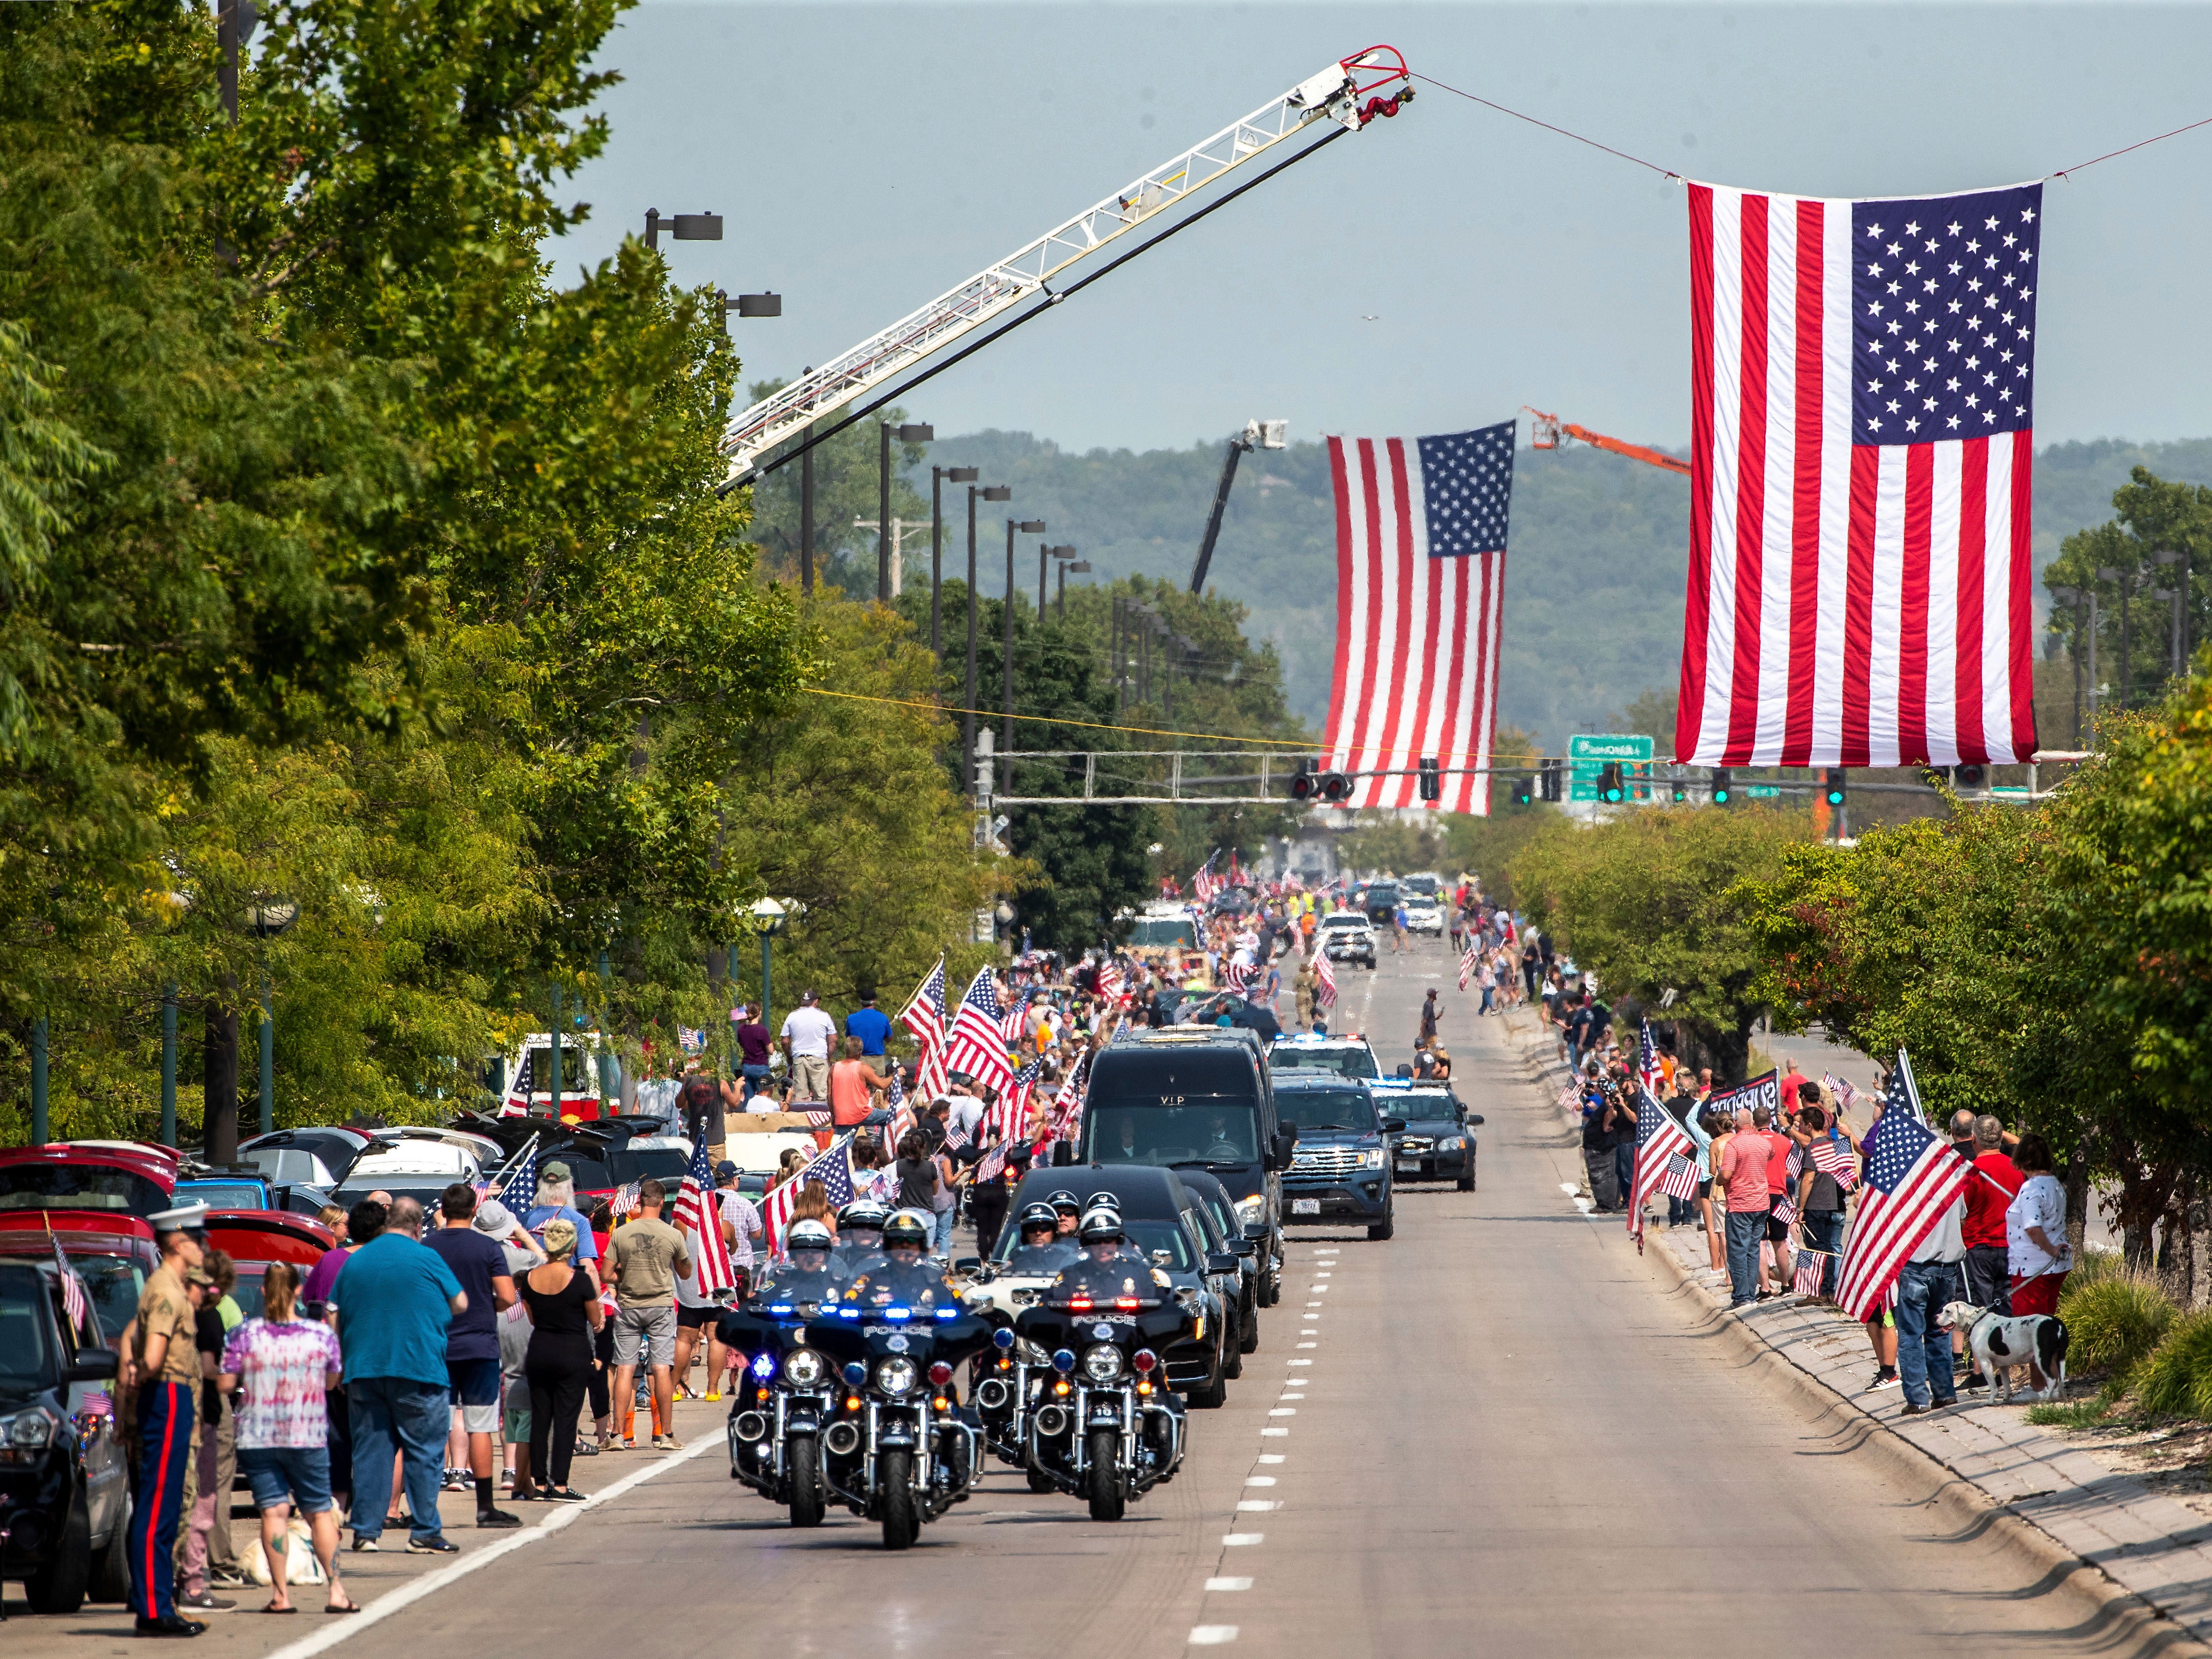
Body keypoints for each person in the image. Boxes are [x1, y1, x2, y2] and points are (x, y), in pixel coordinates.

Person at [217, 1261, 358, 1613]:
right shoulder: (321, 1335)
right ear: (298, 1290)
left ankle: (281, 1596)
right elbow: (330, 1382)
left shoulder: (244, 1336)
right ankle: (336, 1590)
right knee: (320, 1511)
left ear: (263, 1290)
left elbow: (226, 1383)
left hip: (258, 1436)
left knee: (274, 1513)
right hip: (307, 1435)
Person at [333, 1196, 469, 1554]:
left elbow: (334, 1314)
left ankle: (364, 1530)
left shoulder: (356, 1261)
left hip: (363, 1369)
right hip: (419, 1367)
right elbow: (461, 1303)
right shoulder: (426, 1257)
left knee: (370, 1452)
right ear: (418, 1227)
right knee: (423, 1452)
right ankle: (424, 1530)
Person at [126, 1206, 213, 1636]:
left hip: (171, 1396)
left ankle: (159, 1603)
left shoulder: (171, 1287)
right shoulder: (165, 1290)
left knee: (163, 1505)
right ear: (179, 1243)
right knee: (158, 1505)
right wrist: (140, 1381)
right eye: (199, 1241)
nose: (204, 1249)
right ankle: (154, 1609)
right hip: (167, 1394)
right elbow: (153, 1356)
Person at [425, 1184, 523, 1528]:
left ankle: (424, 1508)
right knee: (481, 1426)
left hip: (438, 1345)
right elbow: (509, 1297)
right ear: (473, 1212)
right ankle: (485, 1507)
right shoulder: (488, 1246)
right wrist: (483, 1308)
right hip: (480, 1346)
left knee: (435, 1426)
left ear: (444, 1209)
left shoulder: (428, 1246)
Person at [516, 1219, 603, 1501]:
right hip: (572, 1351)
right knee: (566, 1419)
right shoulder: (579, 1279)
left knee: (541, 1417)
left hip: (540, 1349)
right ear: (572, 1247)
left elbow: (531, 1317)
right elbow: (595, 1319)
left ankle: (539, 1482)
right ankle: (561, 1483)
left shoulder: (530, 1278)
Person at [603, 1178, 692, 1453]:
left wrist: (626, 1274)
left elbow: (606, 1274)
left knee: (625, 1368)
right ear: (662, 1202)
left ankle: (617, 1435)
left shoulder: (622, 1233)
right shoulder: (673, 1234)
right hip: (661, 1306)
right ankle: (665, 1435)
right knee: (662, 1368)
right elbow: (685, 1271)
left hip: (629, 1305)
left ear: (640, 1201)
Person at [177, 1248, 242, 1610]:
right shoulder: (212, 1318)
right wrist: (229, 1378)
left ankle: (179, 1576)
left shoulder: (181, 1314)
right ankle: (198, 1580)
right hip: (207, 1414)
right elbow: (209, 1369)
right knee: (207, 1494)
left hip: (179, 1411)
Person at [1896, 1179, 1966, 1416]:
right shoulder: (1952, 1180)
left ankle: (1918, 1398)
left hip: (1917, 1265)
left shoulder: (1911, 1182)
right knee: (1938, 1330)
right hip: (1947, 1266)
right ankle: (1944, 1393)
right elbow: (1962, 1217)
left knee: (1911, 1333)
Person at [2006, 1133, 2073, 1366]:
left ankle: (2038, 1385)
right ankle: (2051, 1380)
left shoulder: (2031, 1189)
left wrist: (2051, 1249)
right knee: (2046, 1325)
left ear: (2022, 1160)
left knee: (2031, 1331)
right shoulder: (2055, 1184)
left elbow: (2032, 1227)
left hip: (2033, 1267)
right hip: (2053, 1268)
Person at [1960, 1114, 2024, 1340]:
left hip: (1979, 1247)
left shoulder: (1971, 1171)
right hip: (2010, 1247)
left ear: (1974, 1140)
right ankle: (2008, 1361)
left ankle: (1982, 1370)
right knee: (2006, 1308)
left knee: (1981, 1311)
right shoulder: (2016, 1169)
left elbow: (1962, 1213)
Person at [838, 1213, 956, 1309]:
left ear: (921, 1245)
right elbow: (848, 1306)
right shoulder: (870, 1279)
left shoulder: (937, 1280)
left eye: (912, 1240)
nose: (905, 1245)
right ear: (889, 1245)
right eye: (898, 1240)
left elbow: (965, 1313)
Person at [1718, 1108, 1770, 1308]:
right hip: (1761, 1203)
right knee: (1752, 1250)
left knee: (1738, 1251)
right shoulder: (1763, 1143)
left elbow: (1726, 1174)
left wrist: (1719, 1179)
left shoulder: (1734, 1145)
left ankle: (1742, 1296)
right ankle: (1749, 1293)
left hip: (1740, 1204)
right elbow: (1771, 1154)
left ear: (1735, 1122)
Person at [522, 1162, 602, 1266]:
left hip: (535, 1280)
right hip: (568, 1280)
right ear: (569, 1186)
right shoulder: (579, 1220)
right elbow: (587, 1266)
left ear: (541, 1185)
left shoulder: (528, 1218)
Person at [780, 989, 838, 1103]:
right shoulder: (824, 1016)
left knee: (800, 1097)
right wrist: (828, 1057)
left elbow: (785, 1041)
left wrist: (789, 1056)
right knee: (822, 1095)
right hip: (819, 1058)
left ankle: (801, 1118)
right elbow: (833, 1040)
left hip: (799, 1058)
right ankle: (821, 1117)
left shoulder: (792, 1016)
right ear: (816, 1002)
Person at [828, 1035, 892, 1131]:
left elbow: (830, 1095)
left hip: (842, 1116)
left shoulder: (834, 1068)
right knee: (892, 1116)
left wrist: (834, 1115)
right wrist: (894, 1076)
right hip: (861, 1114)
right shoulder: (863, 1068)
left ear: (846, 1051)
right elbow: (882, 1085)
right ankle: (882, 1141)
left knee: (843, 1145)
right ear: (860, 1053)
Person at [1003, 1201, 1077, 1273]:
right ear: (1025, 1235)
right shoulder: (1016, 1257)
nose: (1038, 1233)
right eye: (1032, 1229)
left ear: (1054, 1233)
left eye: (1044, 1228)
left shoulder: (1068, 1257)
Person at [832, 1199, 891, 1281]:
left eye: (873, 1226)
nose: (866, 1230)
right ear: (849, 1229)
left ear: (880, 1230)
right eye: (859, 1225)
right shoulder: (837, 1258)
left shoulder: (890, 1261)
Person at [732, 1005, 773, 1101]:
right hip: (761, 1066)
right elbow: (771, 1050)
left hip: (746, 1066)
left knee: (748, 1097)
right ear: (759, 1013)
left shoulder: (741, 1029)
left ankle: (747, 1113)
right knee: (763, 1096)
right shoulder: (762, 1030)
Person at [844, 993, 891, 1061]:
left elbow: (849, 1039)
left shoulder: (851, 1018)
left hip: (857, 1059)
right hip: (876, 1060)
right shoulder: (883, 1018)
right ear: (875, 1001)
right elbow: (889, 1039)